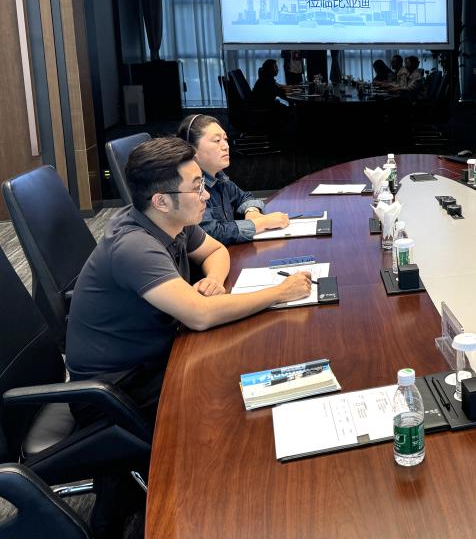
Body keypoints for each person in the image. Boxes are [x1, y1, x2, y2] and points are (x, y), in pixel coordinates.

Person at [64, 137, 310, 537]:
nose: (206, 194)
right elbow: (199, 316)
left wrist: (214, 281)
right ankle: (208, 513)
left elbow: (216, 253)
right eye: (196, 187)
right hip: (117, 391)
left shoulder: (169, 221)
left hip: (155, 358)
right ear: (161, 200)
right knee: (232, 396)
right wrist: (280, 292)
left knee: (245, 362)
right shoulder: (134, 246)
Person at [177, 114, 290, 244]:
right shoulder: (190, 188)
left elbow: (245, 197)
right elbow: (210, 233)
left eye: (225, 139)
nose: (226, 146)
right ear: (192, 150)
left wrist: (252, 212)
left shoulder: (220, 178)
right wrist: (260, 223)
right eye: (217, 140)